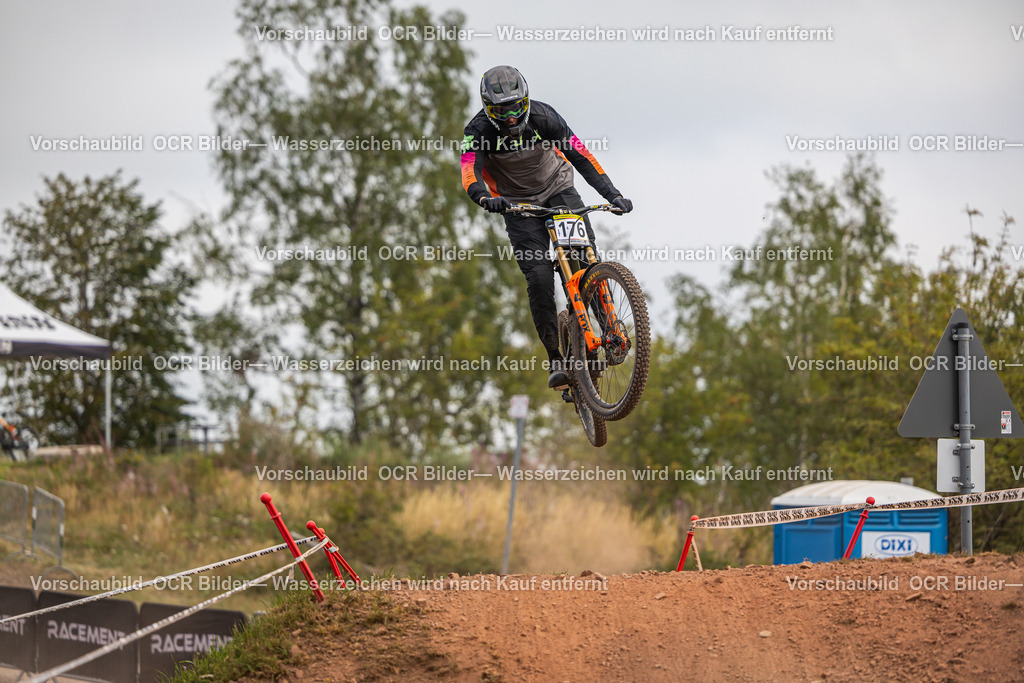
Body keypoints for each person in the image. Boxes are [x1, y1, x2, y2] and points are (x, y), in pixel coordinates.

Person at [460, 65, 633, 390]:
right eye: (501, 111)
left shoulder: (545, 117)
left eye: (516, 108)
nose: (510, 118)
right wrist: (484, 198)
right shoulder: (478, 131)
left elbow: (581, 156)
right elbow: (469, 170)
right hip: (517, 205)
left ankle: (610, 327)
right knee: (539, 277)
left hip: (558, 190)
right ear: (488, 109)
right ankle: (557, 357)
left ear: (525, 101)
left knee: (584, 258)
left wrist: (614, 195)